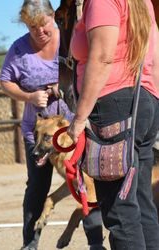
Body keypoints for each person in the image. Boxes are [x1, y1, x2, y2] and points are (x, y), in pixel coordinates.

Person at [0, 1, 106, 249]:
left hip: (73, 131)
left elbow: (90, 66)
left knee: (86, 182)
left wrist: (65, 86)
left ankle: (94, 242)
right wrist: (28, 97)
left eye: (44, 24)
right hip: (37, 132)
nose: (39, 31)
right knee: (37, 186)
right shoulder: (19, 49)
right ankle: (30, 243)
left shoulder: (69, 38)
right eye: (32, 26)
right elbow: (5, 81)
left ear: (53, 16)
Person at [67, 0, 159, 249]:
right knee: (141, 203)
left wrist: (78, 119)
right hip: (143, 102)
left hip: (112, 107)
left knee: (120, 211)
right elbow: (155, 56)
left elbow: (103, 57)